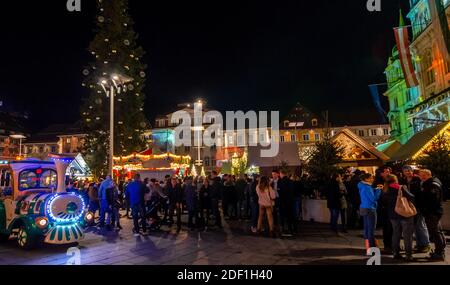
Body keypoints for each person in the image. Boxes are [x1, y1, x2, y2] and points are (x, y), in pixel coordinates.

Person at [384, 174, 415, 262]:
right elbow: (412, 197)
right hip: (404, 214)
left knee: (396, 233)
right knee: (407, 235)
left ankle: (395, 253)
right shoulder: (401, 187)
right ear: (395, 179)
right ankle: (408, 255)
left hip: (392, 215)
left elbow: (384, 202)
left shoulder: (385, 189)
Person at [400, 166, 431, 253]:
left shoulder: (417, 179)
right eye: (406, 171)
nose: (408, 172)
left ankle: (425, 244)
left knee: (420, 225)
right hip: (408, 206)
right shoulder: (402, 180)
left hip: (418, 206)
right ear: (403, 172)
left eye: (409, 170)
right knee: (414, 226)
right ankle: (419, 244)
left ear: (412, 171)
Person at [419, 169, 446, 261]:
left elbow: (433, 200)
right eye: (420, 175)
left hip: (432, 212)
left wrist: (426, 210)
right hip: (434, 212)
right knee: (437, 231)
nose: (421, 177)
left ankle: (439, 253)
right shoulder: (432, 182)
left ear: (427, 175)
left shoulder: (432, 185)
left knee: (435, 232)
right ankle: (440, 251)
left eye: (422, 175)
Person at [359, 173, 383, 255]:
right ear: (366, 179)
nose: (373, 179)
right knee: (371, 230)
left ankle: (368, 248)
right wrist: (379, 190)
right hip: (370, 209)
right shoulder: (367, 187)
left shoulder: (361, 185)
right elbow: (373, 199)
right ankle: (373, 249)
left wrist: (375, 189)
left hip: (363, 207)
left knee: (366, 229)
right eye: (371, 178)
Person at [374, 166, 393, 253]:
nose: (388, 173)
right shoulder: (378, 183)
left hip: (392, 208)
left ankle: (393, 245)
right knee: (387, 228)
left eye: (389, 171)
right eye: (386, 171)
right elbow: (378, 196)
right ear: (381, 173)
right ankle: (388, 246)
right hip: (384, 208)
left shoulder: (392, 181)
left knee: (392, 228)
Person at [278, 169, 297, 236]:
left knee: (283, 216)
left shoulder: (281, 182)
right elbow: (293, 191)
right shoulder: (291, 181)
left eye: (279, 174)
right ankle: (292, 230)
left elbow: (280, 193)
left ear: (281, 173)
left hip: (283, 202)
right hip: (290, 202)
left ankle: (286, 231)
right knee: (290, 216)